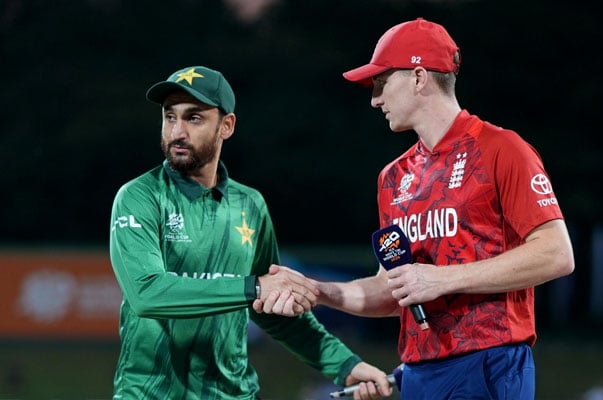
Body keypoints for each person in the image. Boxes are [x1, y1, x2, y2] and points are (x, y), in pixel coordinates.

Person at [255, 18, 576, 399]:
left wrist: (442, 279)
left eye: (381, 82)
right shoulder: (392, 178)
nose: (375, 99)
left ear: (419, 77)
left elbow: (556, 253)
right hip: (419, 373)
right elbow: (391, 290)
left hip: (489, 363)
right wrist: (319, 290)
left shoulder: (502, 149)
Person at [109, 65, 392, 399]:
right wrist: (254, 286)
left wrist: (345, 366)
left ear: (226, 126)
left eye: (194, 118)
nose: (177, 132)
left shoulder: (250, 205)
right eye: (170, 117)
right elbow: (147, 293)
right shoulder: (139, 197)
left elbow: (273, 310)